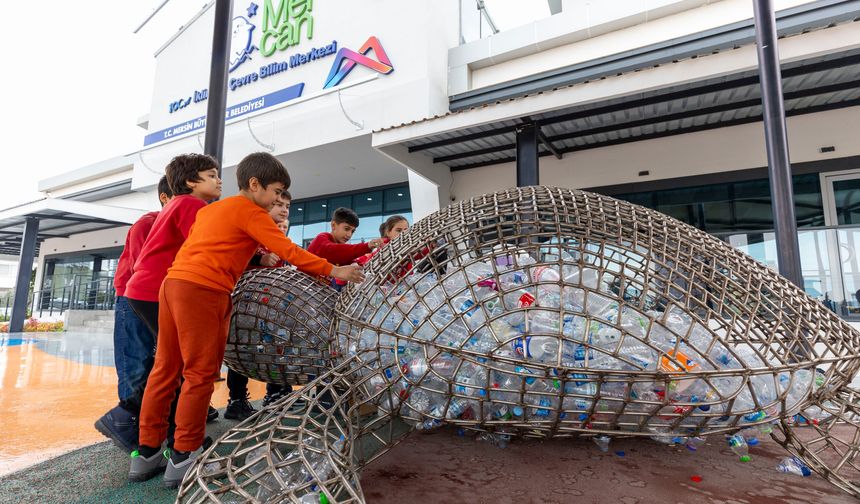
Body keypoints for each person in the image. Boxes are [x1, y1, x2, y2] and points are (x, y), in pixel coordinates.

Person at [128, 152, 364, 488]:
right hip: (203, 290)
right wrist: (334, 269)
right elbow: (289, 251)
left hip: (172, 284)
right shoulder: (252, 211)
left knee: (166, 368)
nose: (278, 200)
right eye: (276, 192)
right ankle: (184, 453)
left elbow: (214, 246)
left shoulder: (214, 210)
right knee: (200, 373)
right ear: (255, 185)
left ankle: (147, 451)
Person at [100, 154, 222, 453]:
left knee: (164, 363)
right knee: (147, 363)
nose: (219, 180)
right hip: (144, 294)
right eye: (211, 175)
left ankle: (157, 431)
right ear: (168, 195)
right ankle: (130, 420)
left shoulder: (173, 212)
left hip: (151, 293)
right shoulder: (172, 212)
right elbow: (198, 247)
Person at [94, 176, 172, 453]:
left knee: (158, 362)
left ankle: (152, 424)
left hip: (161, 299)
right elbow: (145, 266)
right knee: (135, 361)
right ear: (165, 197)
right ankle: (127, 425)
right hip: (132, 297)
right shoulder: (148, 223)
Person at [223, 193, 291, 420]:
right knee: (240, 349)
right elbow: (233, 255)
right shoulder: (250, 232)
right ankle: (237, 399)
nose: (284, 210)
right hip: (243, 304)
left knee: (274, 348)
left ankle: (276, 392)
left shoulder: (278, 243)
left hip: (269, 308)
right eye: (278, 204)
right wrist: (257, 260)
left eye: (287, 206)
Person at [308, 207, 383, 289]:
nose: (349, 235)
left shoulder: (342, 253)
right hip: (303, 288)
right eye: (346, 229)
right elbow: (336, 251)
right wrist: (367, 246)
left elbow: (350, 261)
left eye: (352, 231)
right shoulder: (321, 239)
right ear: (333, 225)